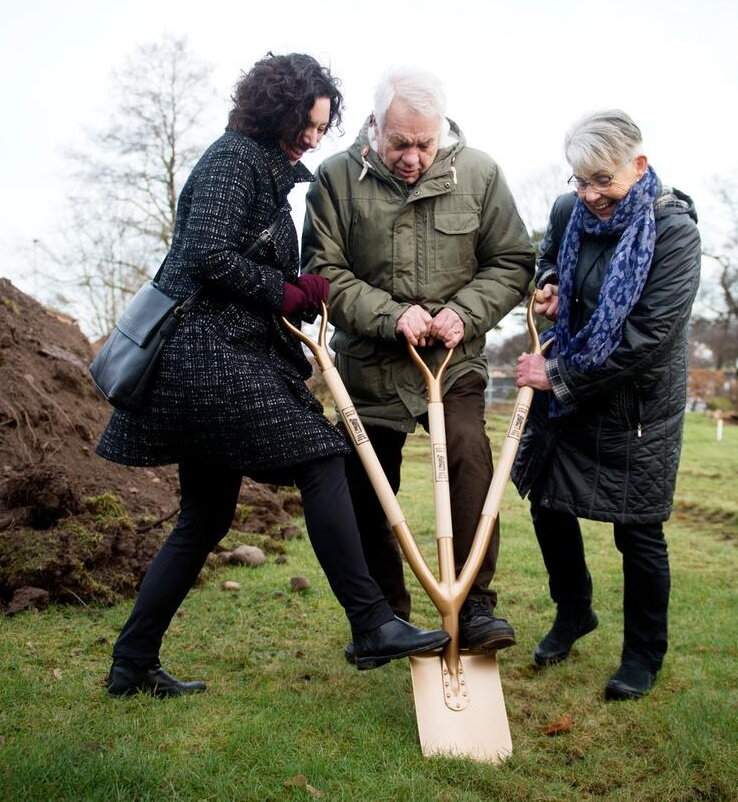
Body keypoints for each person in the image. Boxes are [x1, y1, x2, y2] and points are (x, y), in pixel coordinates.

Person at [96, 53, 449, 698]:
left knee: (203, 520)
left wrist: (294, 288)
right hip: (207, 358)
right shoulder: (231, 162)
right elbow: (204, 253)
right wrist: (283, 292)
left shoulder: (259, 169)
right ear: (279, 115)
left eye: (324, 125)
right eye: (310, 125)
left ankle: (132, 662)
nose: (317, 137)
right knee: (323, 457)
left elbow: (234, 255)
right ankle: (371, 621)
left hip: (215, 358)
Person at [301, 67, 534, 658]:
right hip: (369, 367)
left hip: (452, 364)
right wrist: (389, 314)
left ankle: (475, 608)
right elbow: (322, 272)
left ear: (441, 133)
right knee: (367, 491)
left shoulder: (479, 174)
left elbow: (511, 260)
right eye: (400, 143)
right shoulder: (334, 179)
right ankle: (384, 619)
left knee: (468, 458)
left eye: (424, 144)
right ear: (375, 127)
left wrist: (465, 311)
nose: (412, 157)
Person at [512, 110, 700, 700]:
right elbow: (549, 257)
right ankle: (574, 612)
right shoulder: (570, 211)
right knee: (547, 502)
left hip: (635, 408)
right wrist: (546, 281)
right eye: (580, 181)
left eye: (604, 180)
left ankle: (643, 654)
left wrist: (557, 375)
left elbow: (647, 338)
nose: (591, 195)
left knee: (638, 532)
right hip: (569, 397)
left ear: (638, 166)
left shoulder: (674, 233)